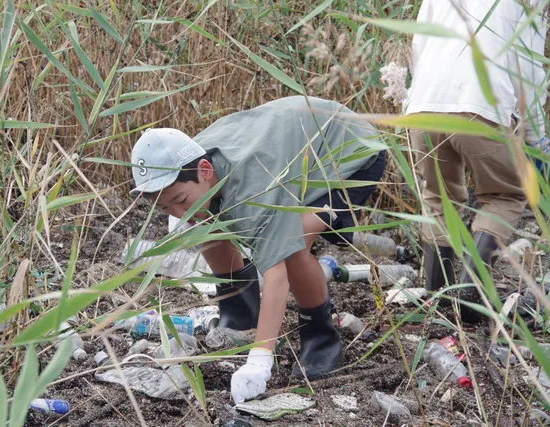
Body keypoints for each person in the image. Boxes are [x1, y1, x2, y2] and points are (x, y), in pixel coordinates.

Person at [128, 96, 386, 403]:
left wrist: (259, 362)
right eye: (165, 206)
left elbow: (277, 275)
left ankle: (320, 337)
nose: (176, 212)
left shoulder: (254, 187)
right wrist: (185, 208)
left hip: (348, 149)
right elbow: (194, 207)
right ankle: (240, 313)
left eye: (181, 200)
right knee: (204, 219)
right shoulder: (192, 164)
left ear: (205, 170)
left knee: (292, 248)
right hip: (291, 146)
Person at [404, 0, 547, 321]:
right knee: (505, 196)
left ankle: (437, 296)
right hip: (483, 104)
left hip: (423, 105)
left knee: (438, 197)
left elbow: (418, 44)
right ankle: (470, 295)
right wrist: (537, 136)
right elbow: (529, 68)